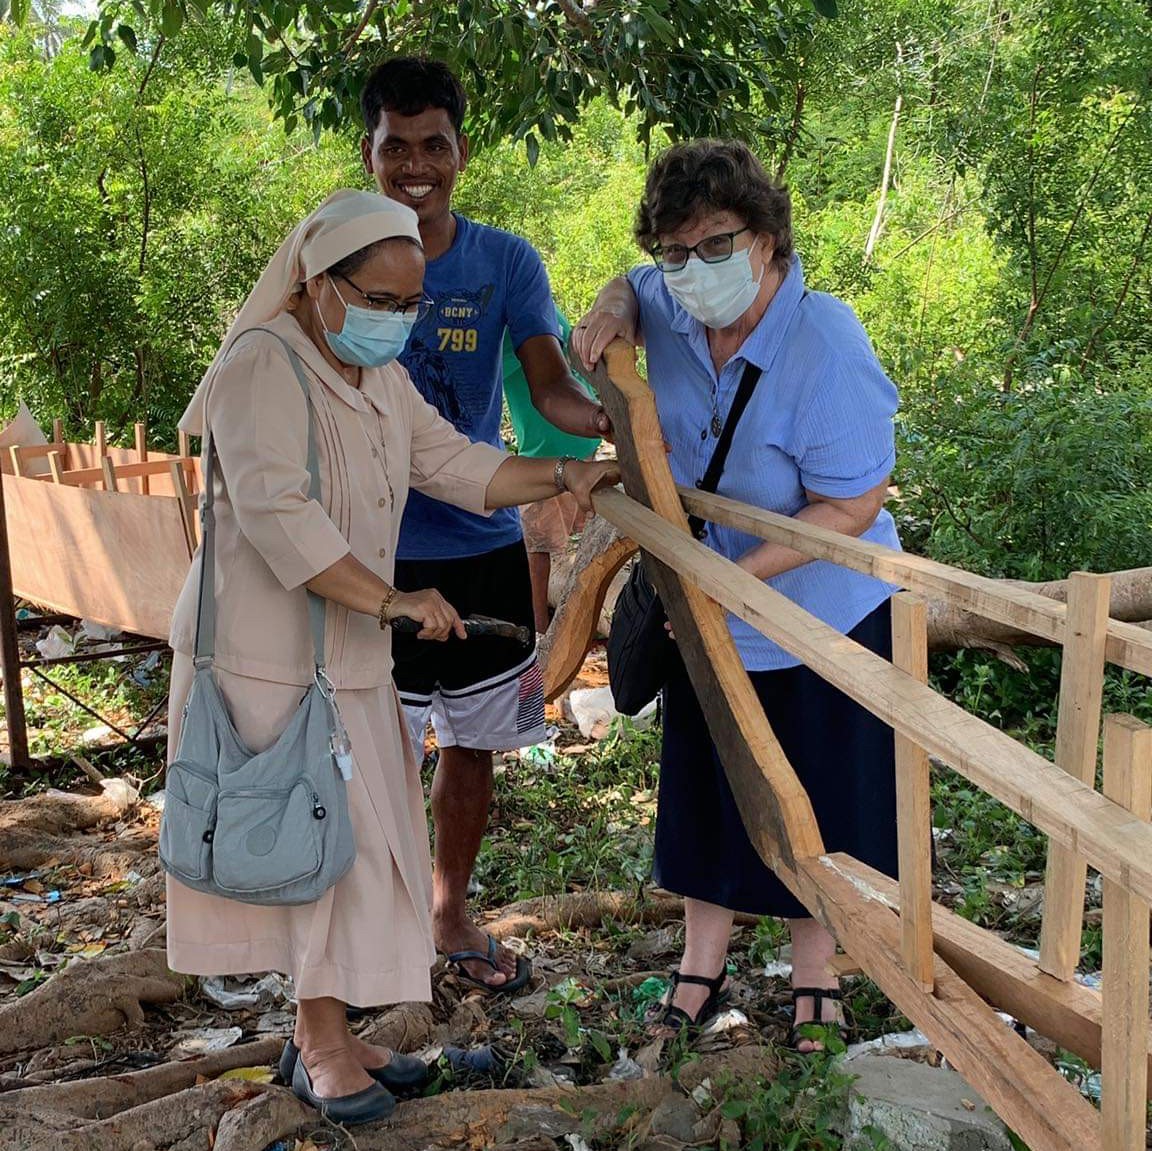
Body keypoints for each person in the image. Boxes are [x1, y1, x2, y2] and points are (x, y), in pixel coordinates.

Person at [166, 189, 619, 1124]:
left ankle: (324, 1033)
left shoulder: (376, 375)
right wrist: (396, 599)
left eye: (409, 305)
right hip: (271, 664)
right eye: (378, 301)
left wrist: (567, 471)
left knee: (361, 844)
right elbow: (275, 514)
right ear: (315, 282)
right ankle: (321, 1042)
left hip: (347, 655)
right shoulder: (262, 365)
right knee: (308, 846)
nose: (397, 323)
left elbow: (456, 462)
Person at [572, 140, 901, 1052]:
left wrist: (728, 582)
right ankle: (699, 960)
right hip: (703, 603)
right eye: (676, 252)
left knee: (814, 795)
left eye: (717, 246)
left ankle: (816, 974)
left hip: (814, 611)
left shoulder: (822, 339)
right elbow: (633, 285)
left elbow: (852, 502)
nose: (694, 270)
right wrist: (613, 299)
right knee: (708, 785)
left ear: (768, 240)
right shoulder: (668, 305)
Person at [359, 57, 610, 994]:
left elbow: (548, 385)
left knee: (471, 744)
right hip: (372, 552)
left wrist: (614, 421)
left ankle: (447, 910)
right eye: (397, 146)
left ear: (462, 149)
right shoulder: (336, 252)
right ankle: (371, 938)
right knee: (370, 743)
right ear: (369, 152)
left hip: (481, 543)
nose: (415, 165)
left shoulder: (505, 263)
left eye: (434, 144)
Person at [501, 309, 601, 635]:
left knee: (539, 548)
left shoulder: (523, 321)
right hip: (561, 449)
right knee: (543, 546)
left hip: (559, 451)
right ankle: (546, 631)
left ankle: (544, 633)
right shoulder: (537, 317)